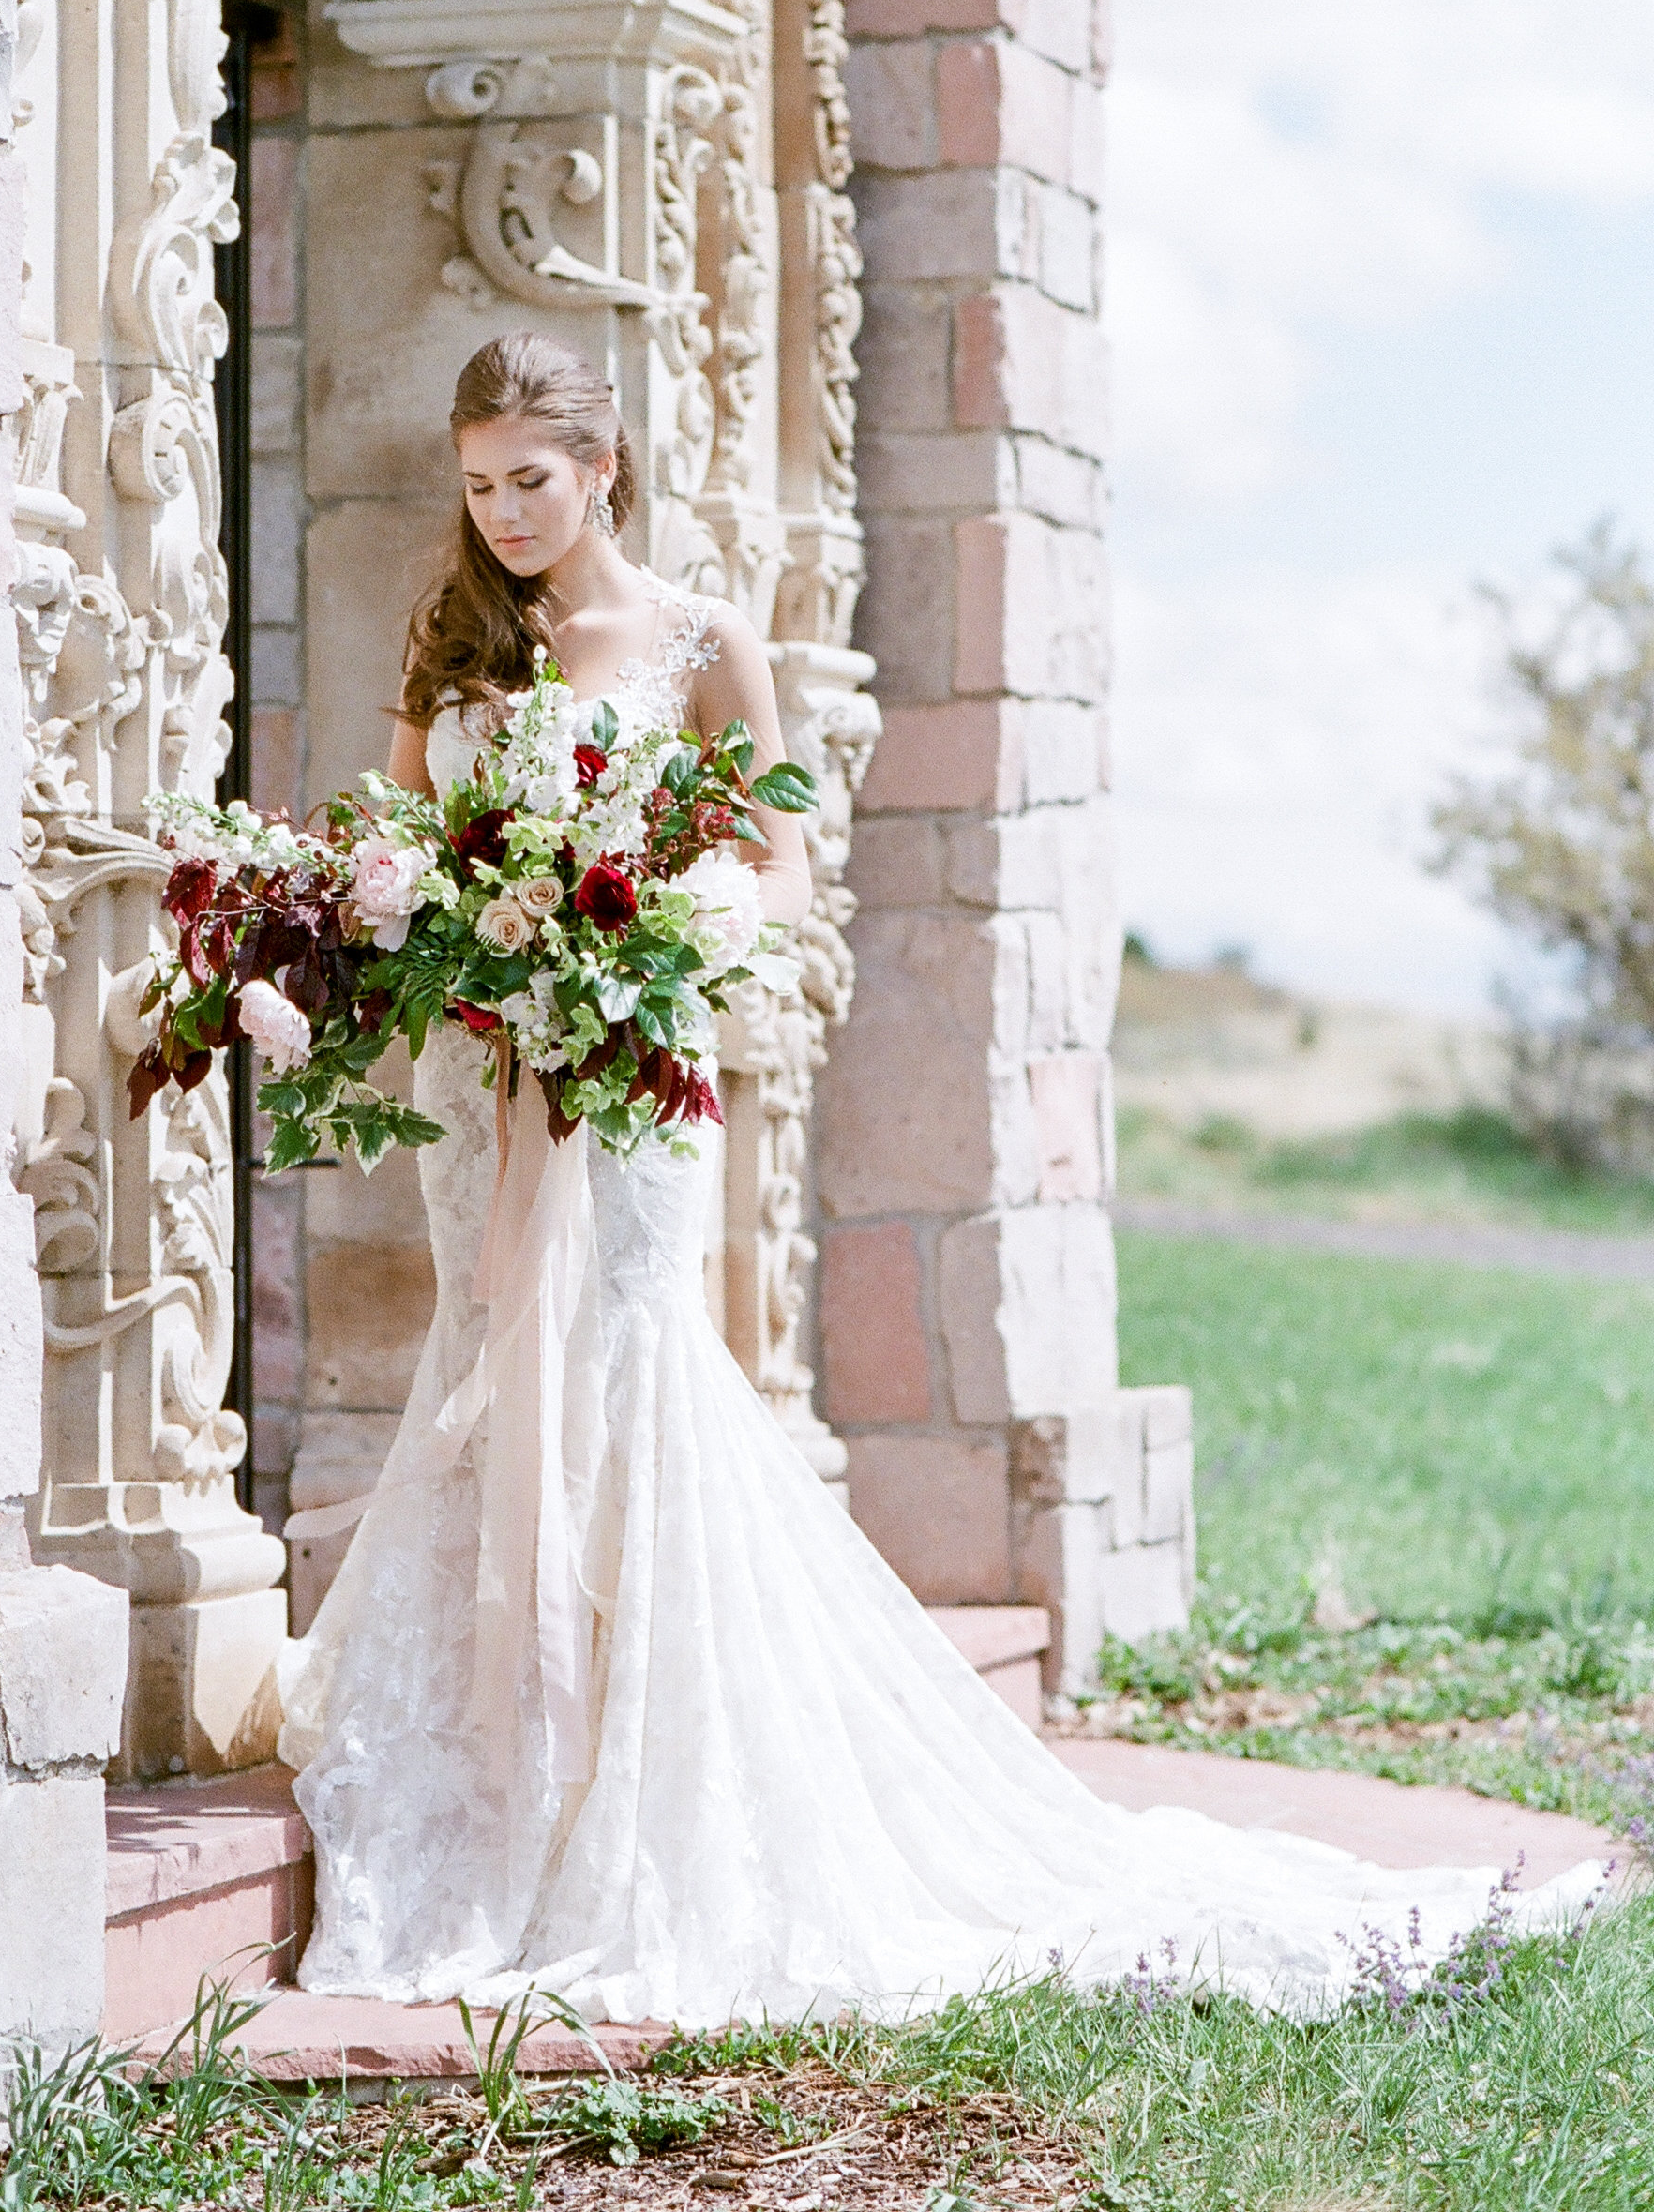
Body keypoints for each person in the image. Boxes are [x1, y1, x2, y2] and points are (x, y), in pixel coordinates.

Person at [278, 331, 1601, 2024]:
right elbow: (396, 834)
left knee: (623, 1359)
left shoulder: (702, 643)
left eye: (530, 478)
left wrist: (659, 936)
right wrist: (393, 915)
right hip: (484, 1084)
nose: (504, 513)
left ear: (602, 467)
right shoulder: (455, 638)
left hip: (628, 1079)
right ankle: (498, 1778)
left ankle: (638, 1779)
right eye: (477, 484)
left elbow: (775, 857)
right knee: (487, 1358)